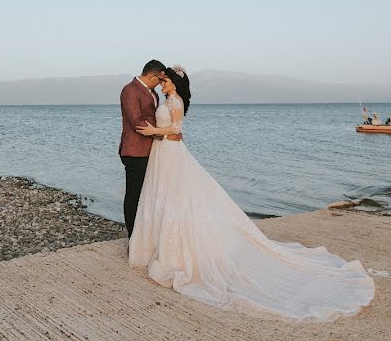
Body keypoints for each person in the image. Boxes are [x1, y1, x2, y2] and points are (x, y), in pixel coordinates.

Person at [129, 65, 374, 321]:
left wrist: (154, 132)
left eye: (166, 80)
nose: (163, 83)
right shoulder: (164, 99)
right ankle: (159, 246)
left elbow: (177, 130)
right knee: (163, 198)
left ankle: (176, 251)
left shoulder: (176, 101)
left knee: (177, 197)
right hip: (162, 154)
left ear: (175, 84)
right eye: (163, 80)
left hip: (170, 152)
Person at [118, 59, 167, 239]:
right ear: (151, 75)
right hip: (135, 151)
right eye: (160, 79)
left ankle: (145, 234)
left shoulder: (153, 92)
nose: (161, 83)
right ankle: (133, 238)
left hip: (150, 150)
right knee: (134, 195)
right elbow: (136, 121)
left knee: (147, 194)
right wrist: (159, 133)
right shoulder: (129, 90)